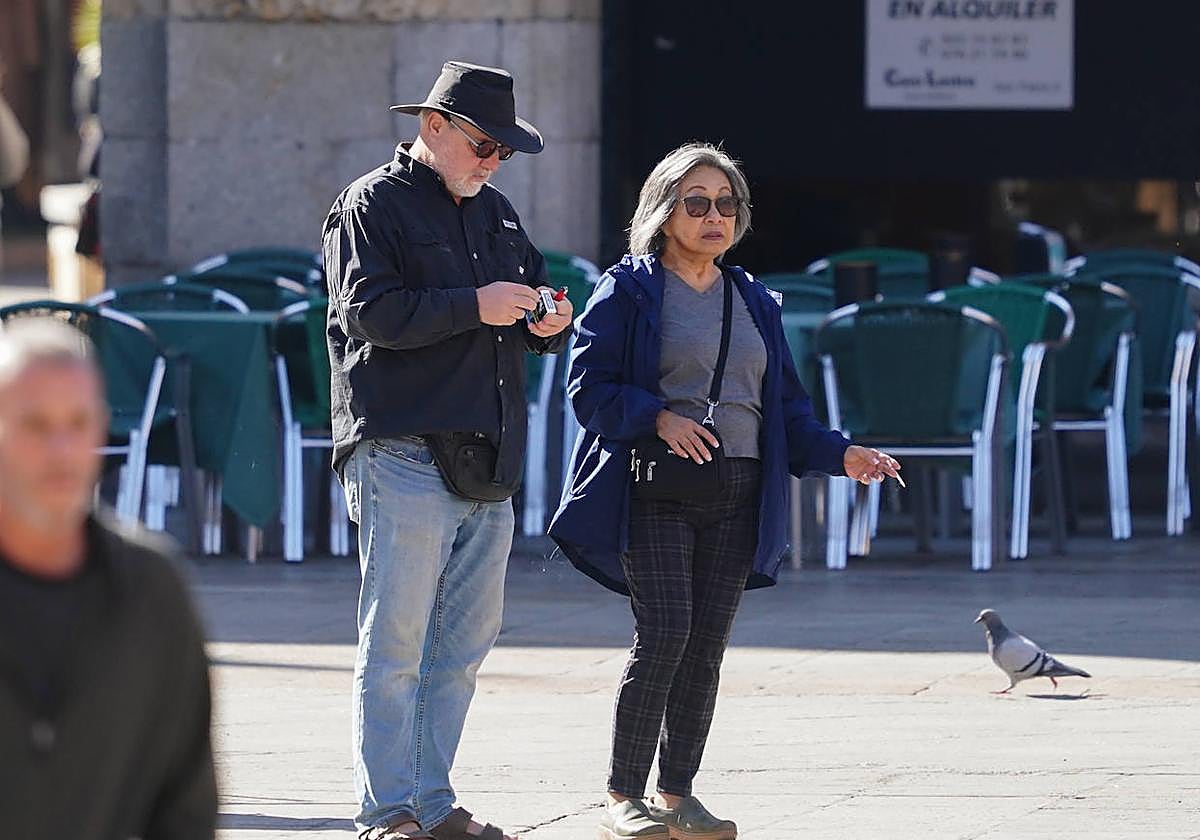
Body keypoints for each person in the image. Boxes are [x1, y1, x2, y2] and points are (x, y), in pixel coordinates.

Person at [548, 143, 902, 839]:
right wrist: (657, 417)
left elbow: (787, 410)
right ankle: (623, 794)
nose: (715, 216)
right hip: (657, 486)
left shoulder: (754, 300)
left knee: (706, 645)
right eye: (697, 203)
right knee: (665, 635)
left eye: (726, 203)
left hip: (739, 488)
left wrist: (843, 454)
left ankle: (678, 795)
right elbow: (588, 389)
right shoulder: (628, 289)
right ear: (664, 211)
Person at [322, 61, 574, 840]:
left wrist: (546, 321)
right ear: (433, 126)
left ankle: (432, 805)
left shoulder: (498, 215)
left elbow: (528, 302)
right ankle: (387, 811)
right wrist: (476, 305)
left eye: (505, 150)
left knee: (461, 648)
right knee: (396, 643)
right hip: (402, 449)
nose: (494, 160)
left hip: (487, 460)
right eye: (483, 143)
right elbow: (370, 314)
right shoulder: (371, 203)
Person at [0, 317, 216, 840]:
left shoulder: (151, 591)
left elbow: (185, 806)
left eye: (78, 423)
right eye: (35, 425)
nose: (60, 450)